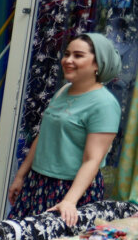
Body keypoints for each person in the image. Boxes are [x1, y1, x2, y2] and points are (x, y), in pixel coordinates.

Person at [7, 33, 122, 226]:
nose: (68, 60)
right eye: (67, 54)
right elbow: (43, 136)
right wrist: (20, 176)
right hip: (37, 182)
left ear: (97, 64)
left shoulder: (104, 104)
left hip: (70, 189)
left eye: (78, 55)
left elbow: (93, 159)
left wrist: (69, 201)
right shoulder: (63, 91)